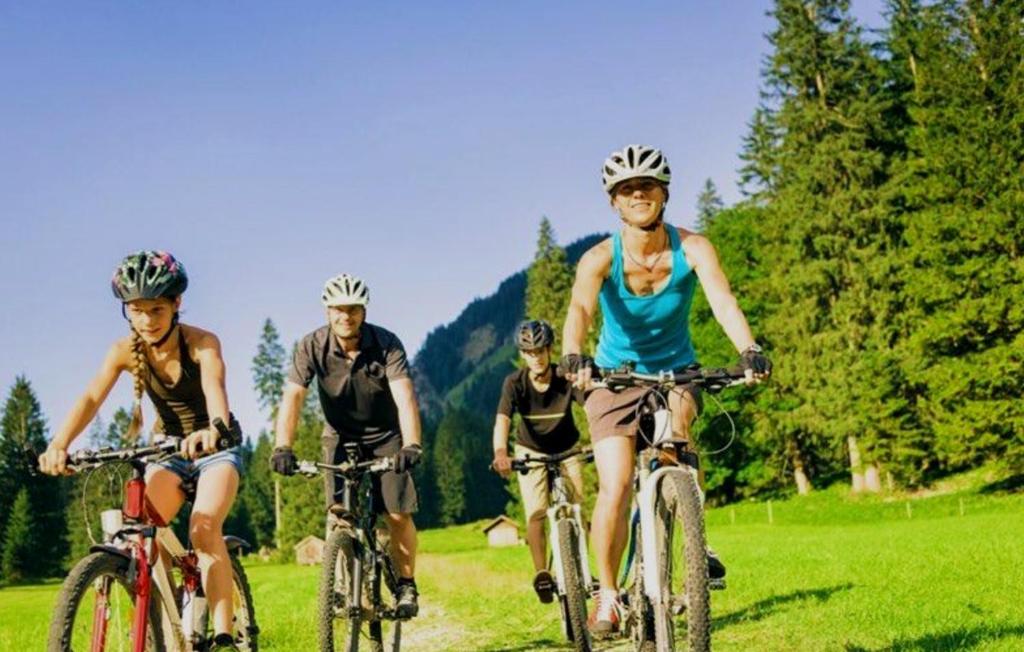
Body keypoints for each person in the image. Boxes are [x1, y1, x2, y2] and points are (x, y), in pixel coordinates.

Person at [560, 145, 772, 636]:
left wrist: (749, 349)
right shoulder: (599, 258)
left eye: (647, 187)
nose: (638, 195)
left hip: (676, 370)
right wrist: (575, 355)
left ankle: (696, 540)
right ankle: (610, 594)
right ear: (614, 202)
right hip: (614, 378)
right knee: (613, 483)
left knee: (678, 440)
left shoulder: (693, 248)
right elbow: (579, 312)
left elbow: (723, 300)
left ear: (664, 194)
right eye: (627, 189)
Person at [38, 250, 244, 651]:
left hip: (214, 450)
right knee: (142, 535)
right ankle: (166, 632)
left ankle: (223, 635)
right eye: (137, 311)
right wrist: (59, 445)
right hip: (167, 451)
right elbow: (90, 397)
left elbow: (215, 389)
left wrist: (213, 430)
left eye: (157, 309)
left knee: (202, 529)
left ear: (176, 304)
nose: (147, 321)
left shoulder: (201, 343)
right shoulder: (123, 351)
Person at [270, 273, 424, 618]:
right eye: (339, 310)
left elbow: (405, 396)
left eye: (353, 309)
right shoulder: (311, 346)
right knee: (339, 514)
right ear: (327, 312)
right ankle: (341, 584)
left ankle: (406, 584)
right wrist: (283, 446)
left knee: (397, 513)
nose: (346, 316)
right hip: (339, 435)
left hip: (387, 436)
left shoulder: (386, 343)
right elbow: (293, 397)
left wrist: (411, 443)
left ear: (363, 311)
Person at [491, 319, 587, 603]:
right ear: (523, 354)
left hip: (569, 447)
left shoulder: (564, 378)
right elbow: (503, 420)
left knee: (578, 508)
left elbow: (592, 406)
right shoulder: (514, 383)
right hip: (530, 451)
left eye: (540, 351)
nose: (536, 357)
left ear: (549, 350)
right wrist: (500, 453)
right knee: (536, 512)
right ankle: (542, 574)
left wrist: (603, 438)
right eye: (529, 352)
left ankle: (582, 567)